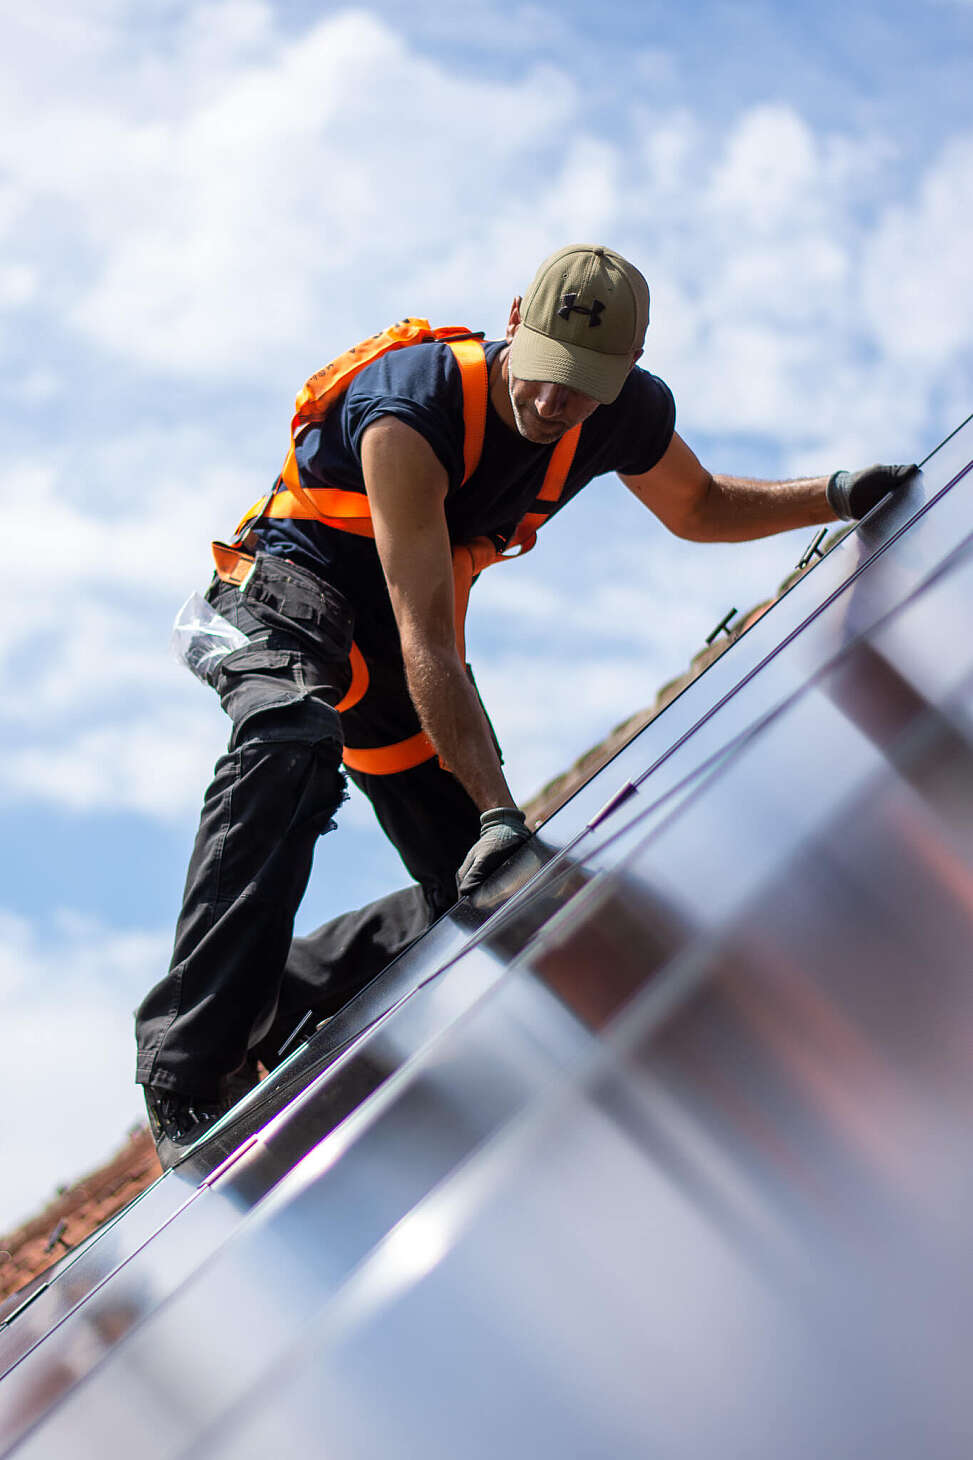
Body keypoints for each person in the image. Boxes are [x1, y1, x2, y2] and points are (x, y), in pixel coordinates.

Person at [135, 243, 916, 1166]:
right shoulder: (411, 409)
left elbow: (699, 505)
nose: (556, 405)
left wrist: (832, 495)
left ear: (627, 368)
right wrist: (501, 810)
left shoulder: (626, 414)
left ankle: (277, 989)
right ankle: (187, 1061)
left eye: (584, 387)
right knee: (290, 736)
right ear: (514, 321)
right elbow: (430, 641)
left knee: (487, 892)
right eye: (545, 375)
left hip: (390, 655)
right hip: (284, 600)